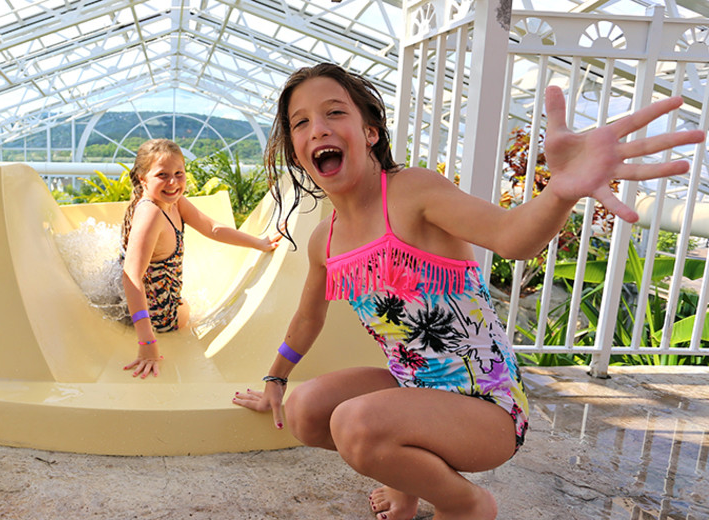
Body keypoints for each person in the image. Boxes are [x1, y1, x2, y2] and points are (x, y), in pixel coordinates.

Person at [231, 63, 705, 519]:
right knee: (307, 410)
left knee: (355, 424)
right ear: (296, 152)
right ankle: (409, 476)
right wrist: (275, 380)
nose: (318, 128)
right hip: (413, 389)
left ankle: (465, 505)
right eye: (301, 122)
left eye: (335, 112)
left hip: (487, 408)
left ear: (370, 132)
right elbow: (307, 318)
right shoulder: (325, 239)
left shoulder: (412, 192)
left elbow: (511, 236)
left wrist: (560, 191)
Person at [121, 139, 282, 379]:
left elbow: (212, 228)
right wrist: (147, 343)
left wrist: (259, 242)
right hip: (159, 317)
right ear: (143, 178)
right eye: (162, 175)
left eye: (179, 173)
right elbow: (131, 275)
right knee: (187, 312)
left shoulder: (173, 202)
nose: (173, 182)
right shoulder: (151, 213)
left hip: (141, 297)